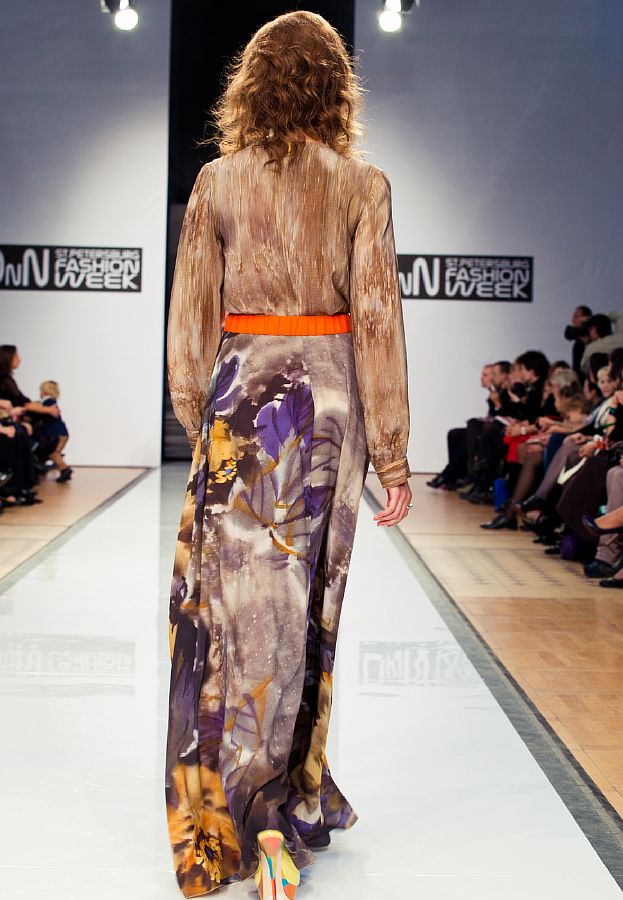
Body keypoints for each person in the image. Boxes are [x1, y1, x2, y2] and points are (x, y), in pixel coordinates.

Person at [164, 11, 413, 899]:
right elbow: (376, 316)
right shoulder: (361, 184)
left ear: (252, 84)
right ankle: (284, 802)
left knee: (233, 610)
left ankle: (249, 813)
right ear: (335, 87)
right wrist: (392, 454)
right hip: (330, 405)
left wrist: (199, 419)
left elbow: (191, 314)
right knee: (307, 604)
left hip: (243, 400)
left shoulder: (217, 181)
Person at [38, 380, 72, 482]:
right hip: (62, 432)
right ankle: (64, 470)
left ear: (45, 392)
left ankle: (65, 469)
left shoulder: (47, 403)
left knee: (53, 453)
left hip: (55, 433)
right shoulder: (53, 402)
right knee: (55, 453)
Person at [564, 305, 591, 377]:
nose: (573, 320)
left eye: (576, 317)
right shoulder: (577, 334)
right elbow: (568, 333)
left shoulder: (593, 334)